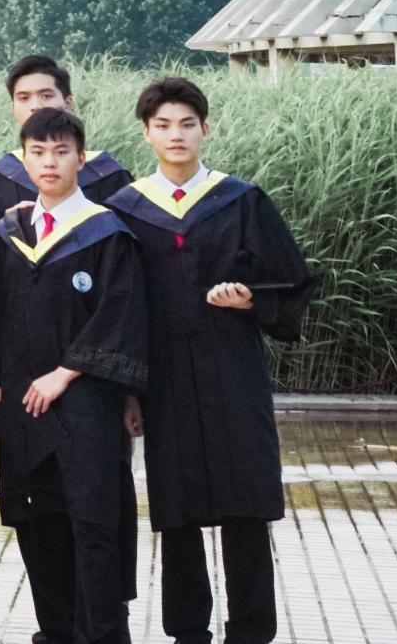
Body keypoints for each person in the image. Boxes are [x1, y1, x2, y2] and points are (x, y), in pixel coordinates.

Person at [107, 78, 308, 644]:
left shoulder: (241, 200)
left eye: (187, 124)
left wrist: (251, 300)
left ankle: (251, 630)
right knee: (177, 507)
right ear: (146, 133)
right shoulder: (125, 210)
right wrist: (127, 389)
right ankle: (188, 631)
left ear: (205, 129)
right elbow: (117, 306)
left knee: (246, 502)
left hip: (232, 368)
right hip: (164, 376)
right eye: (163, 125)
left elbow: (292, 281)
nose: (176, 135)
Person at [0, 108, 150, 644]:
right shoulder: (10, 233)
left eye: (61, 152)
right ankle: (54, 632)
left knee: (93, 519)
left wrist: (66, 372)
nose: (49, 162)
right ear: (24, 159)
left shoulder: (106, 232)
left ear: (81, 158)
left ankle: (101, 634)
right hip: (21, 400)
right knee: (38, 519)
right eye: (38, 152)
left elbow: (120, 312)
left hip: (86, 402)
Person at [0, 56, 133, 220]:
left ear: (68, 104)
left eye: (45, 96)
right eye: (24, 98)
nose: (35, 106)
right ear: (13, 108)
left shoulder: (109, 175)